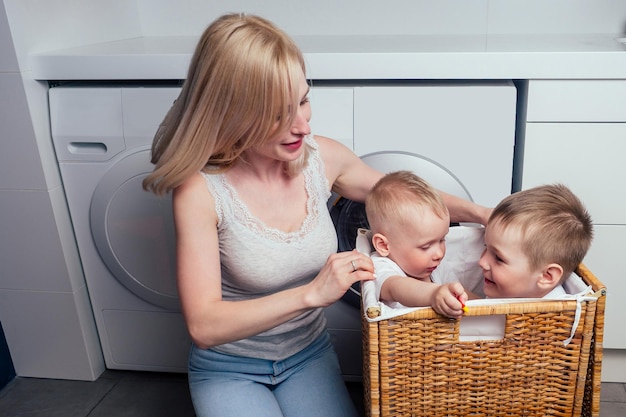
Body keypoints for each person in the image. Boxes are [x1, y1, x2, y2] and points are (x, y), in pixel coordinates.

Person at [142, 13, 490, 417]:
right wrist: (312, 293)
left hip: (308, 355)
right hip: (229, 367)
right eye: (278, 113)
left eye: (304, 100)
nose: (302, 125)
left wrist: (481, 212)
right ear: (233, 112)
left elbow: (404, 201)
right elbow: (204, 326)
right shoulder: (200, 191)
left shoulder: (323, 159)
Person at [365, 171, 469, 318]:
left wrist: (492, 307)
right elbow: (398, 288)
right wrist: (434, 294)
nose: (439, 254)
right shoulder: (381, 266)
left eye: (442, 240)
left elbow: (462, 294)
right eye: (425, 247)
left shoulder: (435, 266)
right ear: (383, 246)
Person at [479, 183, 593, 299]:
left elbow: (491, 317)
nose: (482, 262)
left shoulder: (549, 315)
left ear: (546, 276)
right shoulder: (518, 289)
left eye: (499, 258)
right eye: (485, 246)